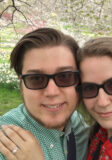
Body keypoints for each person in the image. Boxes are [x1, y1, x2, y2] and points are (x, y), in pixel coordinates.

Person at [0, 28, 90, 160]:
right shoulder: (6, 142)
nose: (52, 92)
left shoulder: (80, 126)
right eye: (36, 79)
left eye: (65, 76)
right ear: (21, 84)